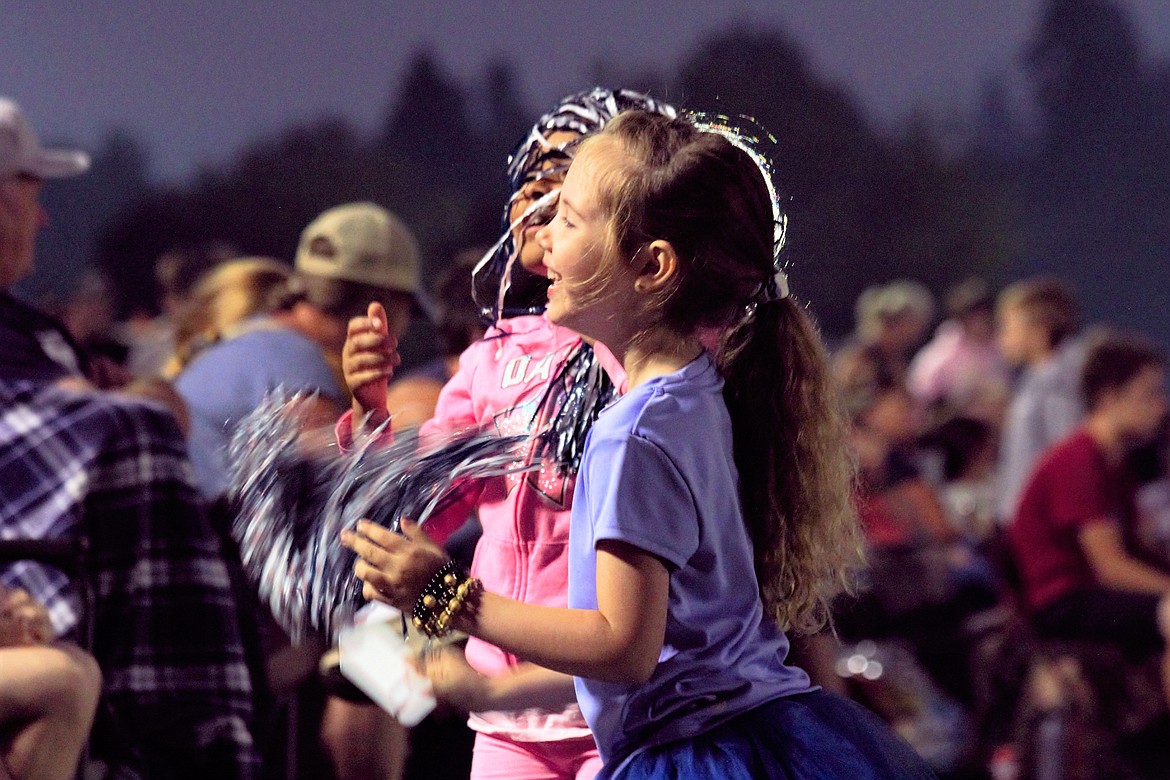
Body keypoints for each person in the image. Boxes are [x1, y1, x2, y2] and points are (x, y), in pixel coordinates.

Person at [344, 110, 936, 778]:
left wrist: (446, 595)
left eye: (567, 219)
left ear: (653, 265)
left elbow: (623, 646)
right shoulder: (693, 391)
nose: (542, 244)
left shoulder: (635, 433)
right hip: (726, 734)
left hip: (689, 753)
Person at [336, 89, 675, 780]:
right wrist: (370, 412)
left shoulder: (652, 356)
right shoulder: (494, 358)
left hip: (622, 710)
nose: (535, 203)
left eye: (562, 182)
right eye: (528, 181)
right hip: (509, 722)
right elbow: (419, 513)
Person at [1, 96, 258, 778]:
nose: (44, 214)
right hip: (53, 584)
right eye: (32, 193)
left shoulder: (30, 328)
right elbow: (131, 419)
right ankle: (177, 741)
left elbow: (150, 408)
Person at [175, 204, 420, 501]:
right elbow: (343, 499)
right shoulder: (298, 370)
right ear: (383, 306)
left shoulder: (255, 340)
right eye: (410, 310)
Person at [1008, 329, 1170, 709]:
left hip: (1091, 593)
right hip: (1064, 601)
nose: (1160, 406)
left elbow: (1134, 548)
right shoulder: (1078, 460)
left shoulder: (1112, 460)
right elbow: (1110, 567)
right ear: (1108, 398)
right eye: (1148, 394)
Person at [996, 276, 1085, 522]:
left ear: (1038, 330)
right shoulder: (1036, 377)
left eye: (1007, 326)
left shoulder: (1061, 383)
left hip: (1046, 522)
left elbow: (1065, 452)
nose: (1002, 337)